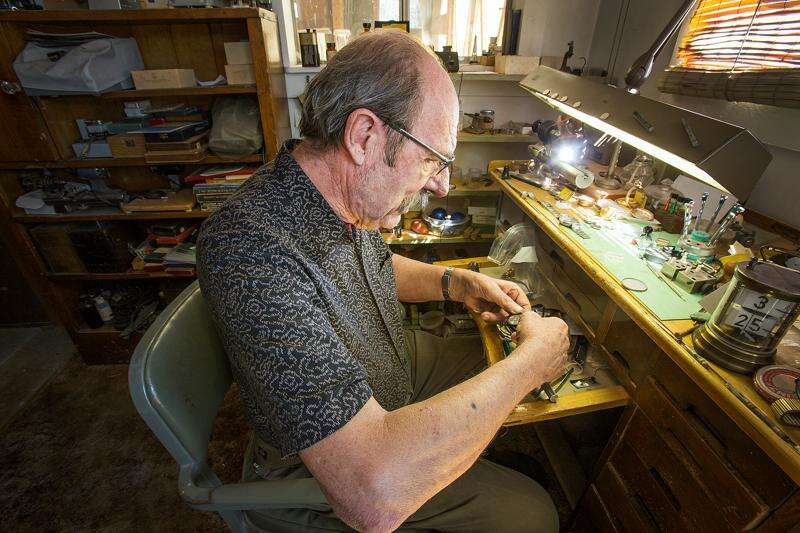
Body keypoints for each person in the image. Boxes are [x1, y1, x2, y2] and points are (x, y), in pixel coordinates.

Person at [197, 29, 569, 532]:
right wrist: (530, 367)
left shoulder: (331, 196)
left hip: (386, 362)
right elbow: (372, 497)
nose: (441, 184)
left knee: (487, 352)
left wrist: (455, 283)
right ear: (365, 136)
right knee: (531, 514)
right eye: (432, 158)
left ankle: (460, 461)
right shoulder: (252, 250)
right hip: (324, 474)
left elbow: (371, 266)